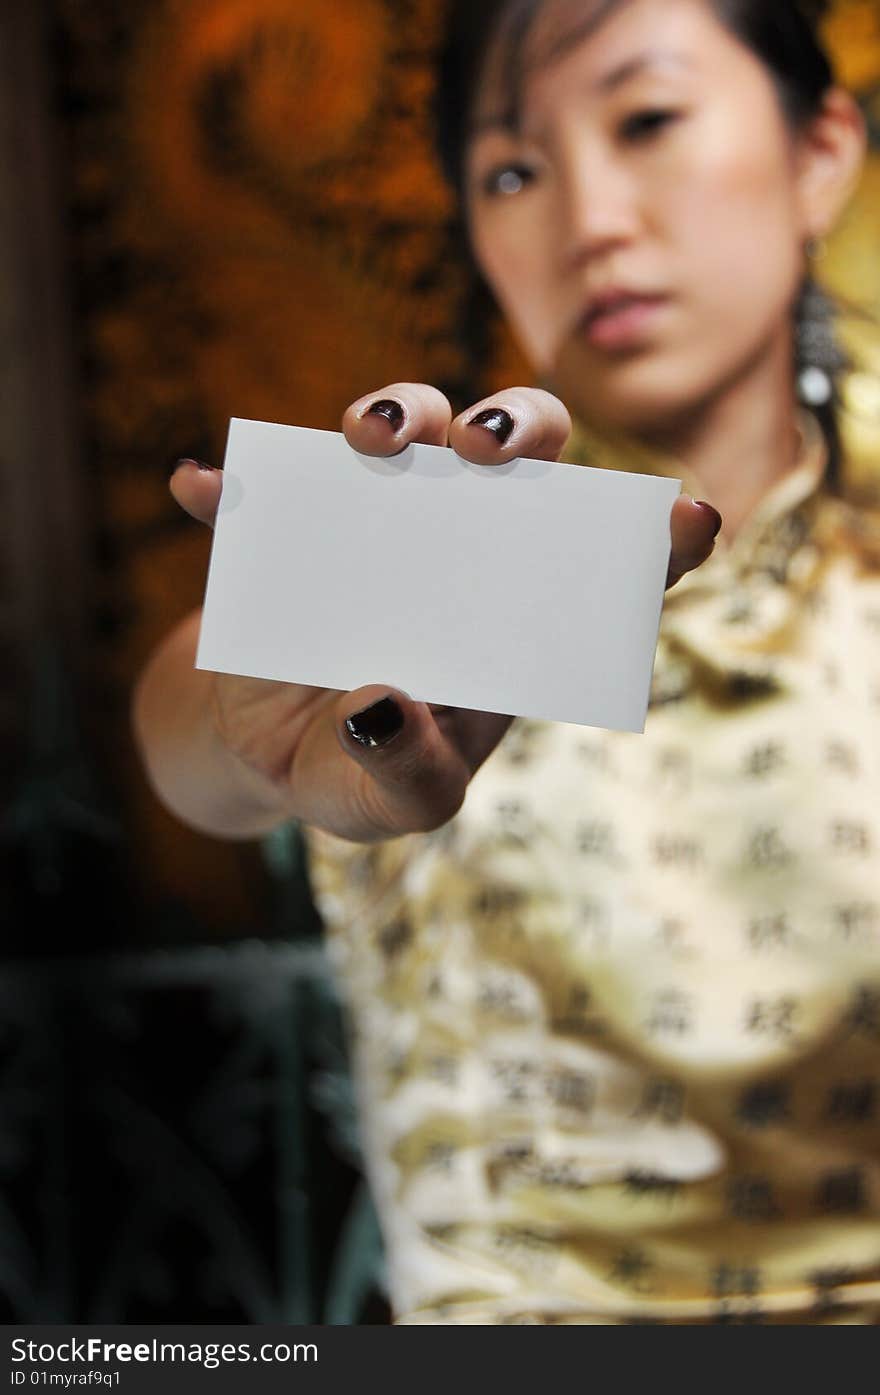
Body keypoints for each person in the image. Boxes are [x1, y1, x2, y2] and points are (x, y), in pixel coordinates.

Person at [133, 0, 880, 1323]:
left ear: (822, 151)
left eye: (648, 121)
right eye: (512, 171)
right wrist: (248, 695)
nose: (587, 218)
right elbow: (195, 725)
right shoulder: (437, 560)